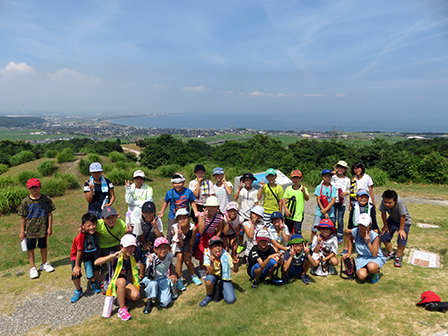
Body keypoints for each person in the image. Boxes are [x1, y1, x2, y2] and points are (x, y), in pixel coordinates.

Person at [95, 234, 140, 321]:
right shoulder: (116, 256)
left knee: (136, 296)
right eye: (127, 246)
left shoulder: (131, 258)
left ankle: (120, 296)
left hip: (124, 282)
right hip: (111, 282)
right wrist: (112, 256)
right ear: (121, 246)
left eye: (132, 246)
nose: (130, 249)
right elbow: (96, 262)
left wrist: (135, 285)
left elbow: (131, 273)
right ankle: (122, 309)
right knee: (122, 281)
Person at [18, 178, 56, 279]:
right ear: (28, 188)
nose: (34, 189)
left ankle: (44, 263)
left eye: (36, 187)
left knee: (43, 246)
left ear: (40, 187)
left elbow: (49, 214)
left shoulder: (46, 199)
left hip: (43, 228)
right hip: (30, 229)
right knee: (30, 249)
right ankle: (33, 267)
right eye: (32, 187)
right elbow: (23, 217)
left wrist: (49, 227)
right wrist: (22, 231)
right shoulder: (25, 201)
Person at [343, 213, 386, 283]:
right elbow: (349, 238)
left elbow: (375, 254)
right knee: (361, 276)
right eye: (360, 224)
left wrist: (368, 243)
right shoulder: (355, 231)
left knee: (371, 267)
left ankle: (375, 273)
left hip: (374, 257)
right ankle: (366, 269)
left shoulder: (375, 236)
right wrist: (349, 252)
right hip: (362, 257)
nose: (362, 227)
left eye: (365, 225)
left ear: (370, 225)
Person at [96, 206, 132, 288]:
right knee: (106, 262)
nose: (111, 220)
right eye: (108, 218)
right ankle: (103, 282)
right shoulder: (99, 224)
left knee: (123, 258)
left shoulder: (120, 223)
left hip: (116, 244)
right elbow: (90, 226)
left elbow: (124, 238)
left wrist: (127, 232)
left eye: (113, 217)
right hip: (104, 246)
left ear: (117, 216)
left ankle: (123, 277)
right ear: (103, 219)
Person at [70, 213, 102, 303]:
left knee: (97, 266)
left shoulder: (96, 232)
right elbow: (79, 251)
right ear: (83, 226)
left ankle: (93, 281)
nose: (91, 227)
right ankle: (78, 289)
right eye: (88, 225)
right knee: (75, 273)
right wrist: (77, 265)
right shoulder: (81, 236)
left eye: (93, 224)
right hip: (77, 254)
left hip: (91, 252)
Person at [158, 173, 198, 243]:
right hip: (173, 215)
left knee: (185, 231)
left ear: (183, 182)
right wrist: (162, 211)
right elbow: (165, 202)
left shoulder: (188, 192)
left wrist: (196, 211)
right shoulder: (170, 192)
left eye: (179, 183)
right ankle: (169, 247)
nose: (177, 185)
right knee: (170, 233)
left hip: (184, 216)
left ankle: (185, 246)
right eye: (175, 183)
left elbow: (192, 202)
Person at [141, 237, 177, 314]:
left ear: (168, 248)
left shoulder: (169, 255)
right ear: (155, 249)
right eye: (160, 248)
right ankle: (149, 300)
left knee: (165, 302)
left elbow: (170, 264)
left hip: (163, 278)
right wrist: (152, 264)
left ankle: (160, 292)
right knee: (153, 284)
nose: (163, 250)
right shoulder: (151, 258)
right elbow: (151, 275)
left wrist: (171, 274)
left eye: (165, 247)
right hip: (152, 279)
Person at [199, 236, 239, 307]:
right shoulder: (207, 254)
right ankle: (209, 295)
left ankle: (223, 290)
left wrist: (235, 264)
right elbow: (210, 272)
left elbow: (235, 270)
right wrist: (211, 262)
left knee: (231, 300)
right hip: (213, 276)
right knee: (208, 281)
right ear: (210, 248)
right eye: (215, 246)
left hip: (224, 277)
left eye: (219, 246)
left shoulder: (226, 254)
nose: (217, 248)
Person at [171, 208, 202, 289]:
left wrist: (188, 251)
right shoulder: (175, 228)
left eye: (184, 218)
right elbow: (180, 244)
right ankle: (178, 280)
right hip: (178, 242)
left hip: (188, 243)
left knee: (188, 260)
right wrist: (179, 236)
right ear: (177, 220)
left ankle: (193, 276)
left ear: (188, 218)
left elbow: (192, 241)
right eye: (180, 219)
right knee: (180, 258)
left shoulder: (193, 228)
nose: (182, 220)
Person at [379, 190, 412, 268]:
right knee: (384, 236)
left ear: (395, 201)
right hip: (392, 219)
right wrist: (385, 225)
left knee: (402, 238)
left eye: (390, 203)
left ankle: (398, 257)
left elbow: (403, 216)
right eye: (385, 202)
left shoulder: (400, 203)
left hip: (404, 221)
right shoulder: (383, 202)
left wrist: (401, 229)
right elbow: (383, 214)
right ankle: (391, 253)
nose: (387, 204)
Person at [341, 189, 379, 255]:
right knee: (348, 233)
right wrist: (349, 227)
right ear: (356, 198)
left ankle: (376, 248)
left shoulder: (371, 206)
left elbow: (373, 217)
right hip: (357, 224)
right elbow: (351, 217)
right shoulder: (354, 206)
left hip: (368, 225)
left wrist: (375, 228)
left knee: (377, 233)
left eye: (365, 197)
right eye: (361, 197)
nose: (363, 199)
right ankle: (346, 248)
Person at [194, 196, 224, 279]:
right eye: (209, 207)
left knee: (212, 252)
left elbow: (219, 230)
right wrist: (204, 219)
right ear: (206, 207)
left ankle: (212, 268)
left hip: (212, 236)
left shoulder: (220, 217)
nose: (212, 209)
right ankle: (202, 269)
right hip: (203, 236)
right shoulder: (201, 215)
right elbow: (200, 230)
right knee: (202, 253)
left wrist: (215, 240)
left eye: (214, 207)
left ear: (217, 208)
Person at [132, 201, 163, 280]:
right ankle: (141, 275)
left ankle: (159, 271)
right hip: (143, 240)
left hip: (154, 239)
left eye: (151, 212)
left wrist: (155, 226)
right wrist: (145, 244)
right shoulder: (139, 221)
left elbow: (159, 235)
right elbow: (140, 234)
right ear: (142, 213)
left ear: (154, 212)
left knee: (159, 253)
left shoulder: (158, 220)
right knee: (144, 254)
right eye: (146, 213)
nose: (148, 215)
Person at [234, 173, 258, 254]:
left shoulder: (255, 191)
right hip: (242, 214)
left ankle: (250, 245)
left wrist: (255, 214)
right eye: (246, 180)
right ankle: (241, 245)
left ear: (252, 181)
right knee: (240, 232)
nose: (248, 182)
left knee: (251, 232)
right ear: (244, 181)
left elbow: (256, 203)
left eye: (250, 180)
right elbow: (235, 198)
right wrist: (239, 189)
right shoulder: (242, 190)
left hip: (250, 216)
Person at [311, 169, 337, 242]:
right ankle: (312, 242)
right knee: (314, 228)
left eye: (329, 176)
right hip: (320, 211)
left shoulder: (333, 188)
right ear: (322, 177)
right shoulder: (319, 187)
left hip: (330, 211)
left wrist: (326, 210)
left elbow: (333, 200)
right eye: (325, 176)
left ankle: (329, 242)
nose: (327, 178)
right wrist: (323, 210)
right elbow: (318, 199)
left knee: (330, 228)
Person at [283, 170, 309, 235]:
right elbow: (284, 200)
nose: (295, 180)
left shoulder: (303, 188)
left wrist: (304, 192)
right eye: (294, 178)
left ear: (301, 178)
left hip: (298, 214)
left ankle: (297, 244)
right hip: (289, 213)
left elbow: (307, 199)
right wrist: (286, 210)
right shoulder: (288, 189)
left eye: (297, 178)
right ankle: (289, 243)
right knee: (288, 231)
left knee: (297, 231)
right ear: (291, 178)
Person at [331, 160, 351, 244]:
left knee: (340, 219)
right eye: (338, 167)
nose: (340, 169)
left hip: (342, 202)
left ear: (345, 169)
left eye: (342, 168)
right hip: (332, 201)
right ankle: (332, 233)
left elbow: (350, 190)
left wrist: (346, 193)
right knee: (332, 218)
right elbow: (325, 183)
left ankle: (339, 234)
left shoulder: (347, 180)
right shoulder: (332, 178)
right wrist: (331, 174)